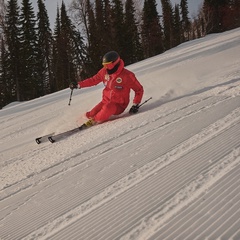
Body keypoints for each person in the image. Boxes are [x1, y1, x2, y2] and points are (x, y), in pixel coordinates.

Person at [69, 51, 144, 128]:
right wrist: (79, 84)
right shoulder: (104, 72)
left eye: (108, 65)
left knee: (107, 108)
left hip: (119, 105)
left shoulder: (127, 75)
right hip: (105, 101)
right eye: (104, 65)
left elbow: (139, 89)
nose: (106, 67)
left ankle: (93, 121)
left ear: (115, 63)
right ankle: (76, 123)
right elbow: (93, 80)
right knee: (91, 114)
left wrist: (135, 104)